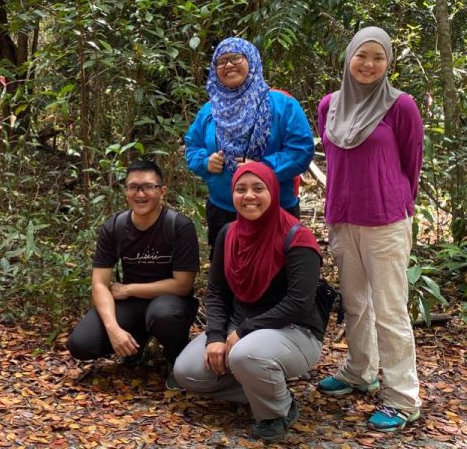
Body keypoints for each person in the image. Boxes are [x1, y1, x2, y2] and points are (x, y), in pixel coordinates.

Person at [316, 26, 423, 432]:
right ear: (348, 58)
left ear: (388, 63)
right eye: (362, 55)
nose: (369, 64)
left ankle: (402, 397)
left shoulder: (401, 106)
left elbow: (412, 162)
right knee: (356, 303)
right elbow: (333, 159)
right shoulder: (330, 105)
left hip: (386, 221)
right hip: (344, 217)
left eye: (378, 57)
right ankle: (360, 371)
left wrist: (399, 205)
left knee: (390, 310)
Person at [173, 162, 324, 443]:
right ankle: (268, 389)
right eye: (240, 189)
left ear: (274, 192)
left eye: (258, 188)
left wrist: (244, 330)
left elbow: (299, 303)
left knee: (245, 354)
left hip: (294, 331)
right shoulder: (228, 234)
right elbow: (217, 291)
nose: (249, 196)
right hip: (239, 328)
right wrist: (215, 337)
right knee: (187, 373)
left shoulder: (297, 237)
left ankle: (276, 412)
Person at [66, 160, 200, 388]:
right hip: (131, 305)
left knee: (163, 314)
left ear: (162, 191)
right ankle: (134, 344)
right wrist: (114, 329)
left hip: (170, 303)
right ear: (126, 191)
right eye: (133, 187)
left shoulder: (179, 226)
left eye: (148, 187)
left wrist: (128, 289)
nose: (140, 194)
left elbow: (182, 285)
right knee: (81, 343)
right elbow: (99, 284)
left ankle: (175, 358)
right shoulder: (115, 226)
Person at [185, 37, 314, 253]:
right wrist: (205, 162)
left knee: (279, 271)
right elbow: (192, 146)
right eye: (221, 61)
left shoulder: (281, 104)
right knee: (228, 272)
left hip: (276, 206)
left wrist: (263, 169)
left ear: (252, 60)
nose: (228, 65)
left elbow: (301, 150)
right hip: (224, 208)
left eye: (235, 57)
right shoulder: (210, 110)